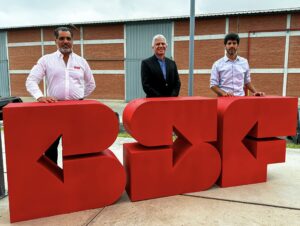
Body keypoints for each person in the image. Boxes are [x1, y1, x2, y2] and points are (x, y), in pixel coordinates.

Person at [26, 26, 96, 164]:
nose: (65, 41)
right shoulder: (46, 60)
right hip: (54, 110)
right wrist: (40, 97)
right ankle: (52, 181)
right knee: (51, 147)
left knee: (76, 147)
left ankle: (75, 179)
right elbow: (31, 80)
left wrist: (80, 97)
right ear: (55, 41)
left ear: (72, 41)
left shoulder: (81, 61)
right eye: (62, 38)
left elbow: (91, 84)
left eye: (68, 38)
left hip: (76, 111)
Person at [210, 33, 264, 97]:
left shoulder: (244, 62)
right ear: (225, 46)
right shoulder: (217, 64)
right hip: (224, 100)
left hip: (240, 99)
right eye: (229, 43)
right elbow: (213, 85)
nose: (232, 46)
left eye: (234, 43)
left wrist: (256, 92)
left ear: (237, 45)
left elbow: (247, 82)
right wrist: (224, 93)